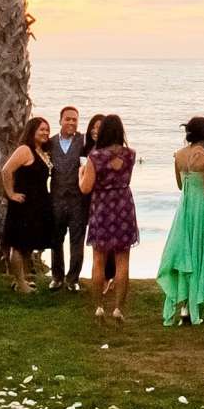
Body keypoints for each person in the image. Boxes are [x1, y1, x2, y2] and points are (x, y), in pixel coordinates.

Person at [158, 116, 204, 326]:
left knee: (184, 253)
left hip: (184, 208)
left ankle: (184, 305)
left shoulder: (179, 155)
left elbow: (179, 185)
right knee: (200, 253)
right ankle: (195, 305)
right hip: (202, 208)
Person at [81, 113, 138, 321]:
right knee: (123, 261)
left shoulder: (95, 157)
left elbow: (86, 188)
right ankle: (118, 309)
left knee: (98, 260)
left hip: (102, 207)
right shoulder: (130, 154)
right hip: (123, 206)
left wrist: (81, 175)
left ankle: (98, 306)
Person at [0, 115, 54, 293]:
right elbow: (6, 170)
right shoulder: (25, 149)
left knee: (28, 244)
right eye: (42, 129)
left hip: (38, 204)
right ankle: (20, 283)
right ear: (32, 131)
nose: (45, 132)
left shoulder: (41, 151)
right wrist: (10, 193)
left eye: (47, 129)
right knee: (19, 243)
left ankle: (22, 279)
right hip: (23, 203)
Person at [47, 107, 89, 292]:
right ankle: (57, 277)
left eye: (74, 120)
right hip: (56, 198)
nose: (71, 123)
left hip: (77, 199)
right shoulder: (50, 143)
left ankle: (73, 279)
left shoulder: (83, 141)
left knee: (77, 240)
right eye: (68, 119)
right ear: (60, 120)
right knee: (56, 240)